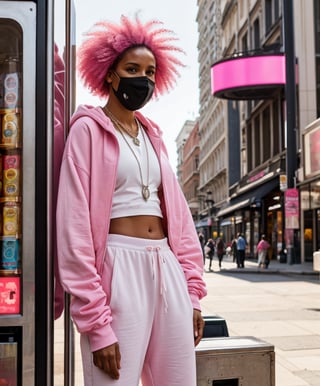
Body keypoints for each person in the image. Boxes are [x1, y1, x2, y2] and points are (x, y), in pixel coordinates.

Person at [56, 15, 207, 386]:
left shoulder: (153, 136)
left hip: (167, 269)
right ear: (109, 74)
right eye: (133, 68)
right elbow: (73, 228)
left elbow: (181, 222)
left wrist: (192, 294)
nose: (144, 78)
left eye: (151, 71)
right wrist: (96, 322)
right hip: (118, 268)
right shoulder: (86, 131)